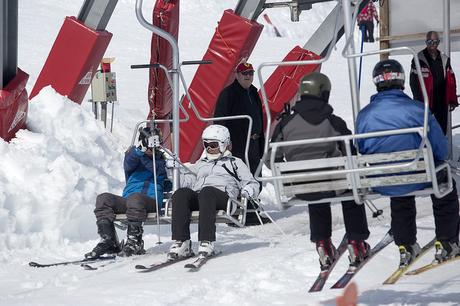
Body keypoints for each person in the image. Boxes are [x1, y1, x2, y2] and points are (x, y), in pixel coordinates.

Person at [356, 59, 460, 266]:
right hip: (417, 175)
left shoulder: (364, 116)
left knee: (399, 189)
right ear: (401, 79)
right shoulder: (418, 109)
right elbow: (439, 147)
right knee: (445, 185)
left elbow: (362, 147)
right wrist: (436, 160)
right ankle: (447, 241)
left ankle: (406, 244)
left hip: (383, 180)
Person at [268, 72, 370, 271]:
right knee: (350, 190)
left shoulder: (285, 124)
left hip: (300, 187)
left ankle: (322, 243)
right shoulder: (334, 122)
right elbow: (350, 151)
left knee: (314, 191)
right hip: (333, 184)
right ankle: (357, 243)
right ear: (323, 93)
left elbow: (272, 156)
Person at [167, 125, 260, 259]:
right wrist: (172, 171)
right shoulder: (201, 163)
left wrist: (249, 190)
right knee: (181, 193)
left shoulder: (235, 163)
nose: (209, 148)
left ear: (224, 144)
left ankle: (206, 241)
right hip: (202, 198)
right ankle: (182, 242)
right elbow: (187, 181)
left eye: (213, 144)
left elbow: (252, 183)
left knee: (207, 192)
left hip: (224, 199)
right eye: (206, 144)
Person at [85, 126, 167, 259]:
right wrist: (139, 151)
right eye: (149, 144)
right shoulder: (134, 158)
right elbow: (128, 162)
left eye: (154, 145)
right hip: (130, 202)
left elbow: (158, 170)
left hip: (150, 202)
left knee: (135, 199)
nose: (152, 149)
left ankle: (135, 241)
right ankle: (108, 239)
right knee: (103, 199)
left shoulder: (160, 160)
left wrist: (146, 153)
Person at [214, 62, 268, 225]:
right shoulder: (228, 94)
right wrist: (224, 142)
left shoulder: (253, 92)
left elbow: (259, 115)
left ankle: (252, 210)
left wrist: (261, 140)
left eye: (250, 73)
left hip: (253, 141)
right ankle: (238, 213)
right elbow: (220, 118)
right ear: (237, 75)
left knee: (254, 176)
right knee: (239, 178)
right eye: (244, 73)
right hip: (237, 144)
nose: (248, 76)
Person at [410, 30, 458, 135]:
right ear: (426, 42)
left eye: (436, 42)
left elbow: (451, 80)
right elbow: (413, 82)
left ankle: (440, 151)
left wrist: (452, 99)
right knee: (425, 131)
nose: (433, 45)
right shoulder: (418, 59)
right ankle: (427, 150)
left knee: (441, 130)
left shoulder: (444, 59)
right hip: (425, 101)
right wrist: (418, 101)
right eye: (430, 42)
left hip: (441, 101)